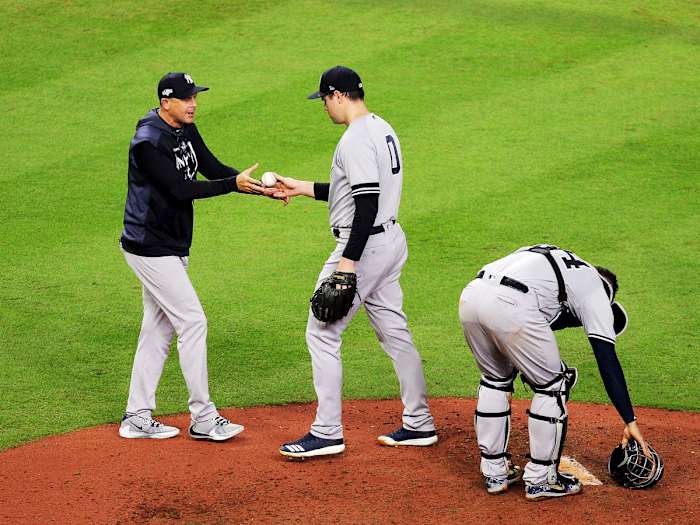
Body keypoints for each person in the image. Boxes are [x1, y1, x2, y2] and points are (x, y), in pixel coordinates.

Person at [272, 66, 437, 459]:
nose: (324, 108)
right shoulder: (381, 127)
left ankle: (327, 431)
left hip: (364, 245)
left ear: (337, 95)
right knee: (394, 331)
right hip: (390, 240)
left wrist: (348, 263)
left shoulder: (354, 139)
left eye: (324, 100)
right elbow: (355, 189)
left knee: (322, 332)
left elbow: (365, 204)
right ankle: (419, 423)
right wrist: (304, 188)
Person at [118, 72, 280, 441]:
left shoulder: (183, 128)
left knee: (157, 329)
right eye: (187, 98)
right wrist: (231, 185)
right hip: (148, 246)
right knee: (192, 321)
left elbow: (211, 166)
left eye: (196, 97)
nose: (194, 104)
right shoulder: (148, 141)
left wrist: (255, 189)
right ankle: (203, 417)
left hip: (170, 244)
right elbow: (179, 189)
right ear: (166, 103)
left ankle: (136, 416)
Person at [458, 244, 651, 500]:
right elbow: (607, 359)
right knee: (553, 385)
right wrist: (630, 420)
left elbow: (535, 324)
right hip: (513, 303)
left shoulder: (559, 265)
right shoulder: (597, 291)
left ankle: (495, 473)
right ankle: (541, 479)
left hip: (472, 296)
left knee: (495, 380)